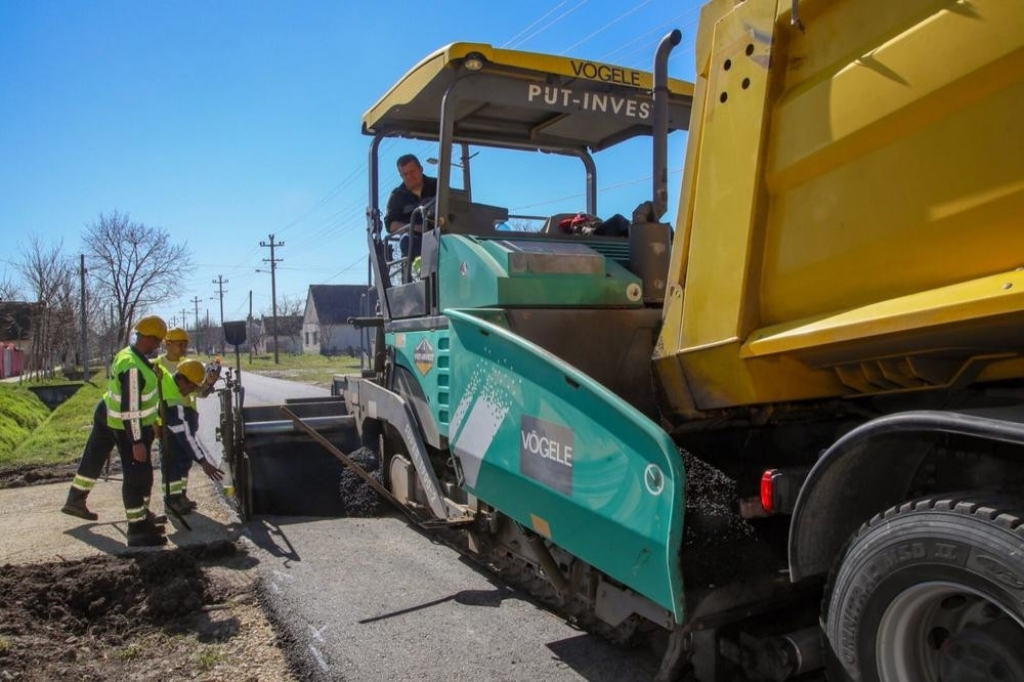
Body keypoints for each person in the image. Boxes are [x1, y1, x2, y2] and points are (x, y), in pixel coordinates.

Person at [62, 315, 168, 547]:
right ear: (148, 338)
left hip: (107, 413)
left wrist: (151, 369)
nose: (159, 345)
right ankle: (138, 528)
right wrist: (137, 441)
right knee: (137, 473)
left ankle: (75, 500)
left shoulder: (129, 355)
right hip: (125, 425)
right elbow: (130, 409)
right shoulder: (132, 368)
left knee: (94, 457)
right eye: (158, 340)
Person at [154, 327, 219, 512]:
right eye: (179, 345)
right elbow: (151, 397)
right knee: (170, 461)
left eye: (185, 345)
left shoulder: (187, 364)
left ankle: (180, 496)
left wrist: (208, 383)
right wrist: (156, 424)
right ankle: (171, 500)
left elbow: (198, 391)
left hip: (185, 416)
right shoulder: (158, 365)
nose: (183, 349)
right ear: (168, 344)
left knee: (184, 461)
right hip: (169, 417)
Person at [384, 154, 437, 258]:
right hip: (416, 240)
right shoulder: (397, 196)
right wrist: (416, 227)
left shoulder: (437, 185)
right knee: (407, 240)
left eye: (412, 172)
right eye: (405, 174)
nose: (409, 177)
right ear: (401, 175)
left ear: (421, 169)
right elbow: (391, 225)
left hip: (441, 236)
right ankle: (420, 269)